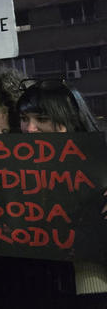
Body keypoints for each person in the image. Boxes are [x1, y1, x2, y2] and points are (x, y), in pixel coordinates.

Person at [17, 79, 106, 307]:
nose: (29, 129)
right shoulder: (16, 169)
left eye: (42, 119)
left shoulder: (100, 161)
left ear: (68, 120)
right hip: (43, 288)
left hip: (93, 287)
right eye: (24, 119)